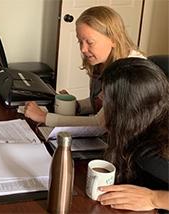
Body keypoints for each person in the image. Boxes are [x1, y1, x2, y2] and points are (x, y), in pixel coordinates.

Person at [24, 6, 145, 127]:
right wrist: (77, 106)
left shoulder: (130, 72)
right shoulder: (102, 61)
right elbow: (101, 103)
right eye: (80, 41)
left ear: (113, 39)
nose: (83, 49)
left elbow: (100, 123)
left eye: (90, 42)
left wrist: (43, 117)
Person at [96, 58, 169, 211]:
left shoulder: (151, 154)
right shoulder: (150, 122)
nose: (100, 97)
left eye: (106, 95)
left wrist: (154, 198)